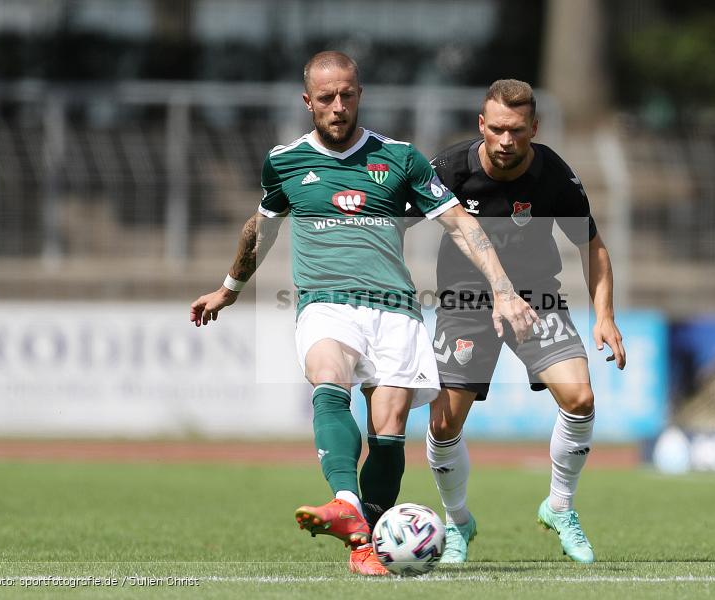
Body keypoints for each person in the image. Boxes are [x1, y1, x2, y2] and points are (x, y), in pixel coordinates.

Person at [188, 53, 538, 576]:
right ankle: (347, 504)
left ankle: (365, 543)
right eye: (326, 97)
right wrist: (229, 288)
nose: (337, 105)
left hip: (396, 308)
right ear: (308, 101)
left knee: (389, 428)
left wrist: (504, 289)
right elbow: (259, 228)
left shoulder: (399, 159)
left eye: (346, 94)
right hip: (325, 302)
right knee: (329, 377)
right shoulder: (284, 162)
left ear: (359, 94)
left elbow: (460, 224)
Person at [408, 79, 626, 564]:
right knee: (443, 424)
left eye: (519, 131)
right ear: (482, 125)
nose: (507, 141)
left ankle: (560, 506)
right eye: (499, 130)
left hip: (537, 299)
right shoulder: (449, 169)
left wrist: (604, 315)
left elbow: (592, 244)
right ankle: (458, 520)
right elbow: (395, 225)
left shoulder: (554, 176)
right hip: (465, 302)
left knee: (581, 397)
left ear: (535, 127)